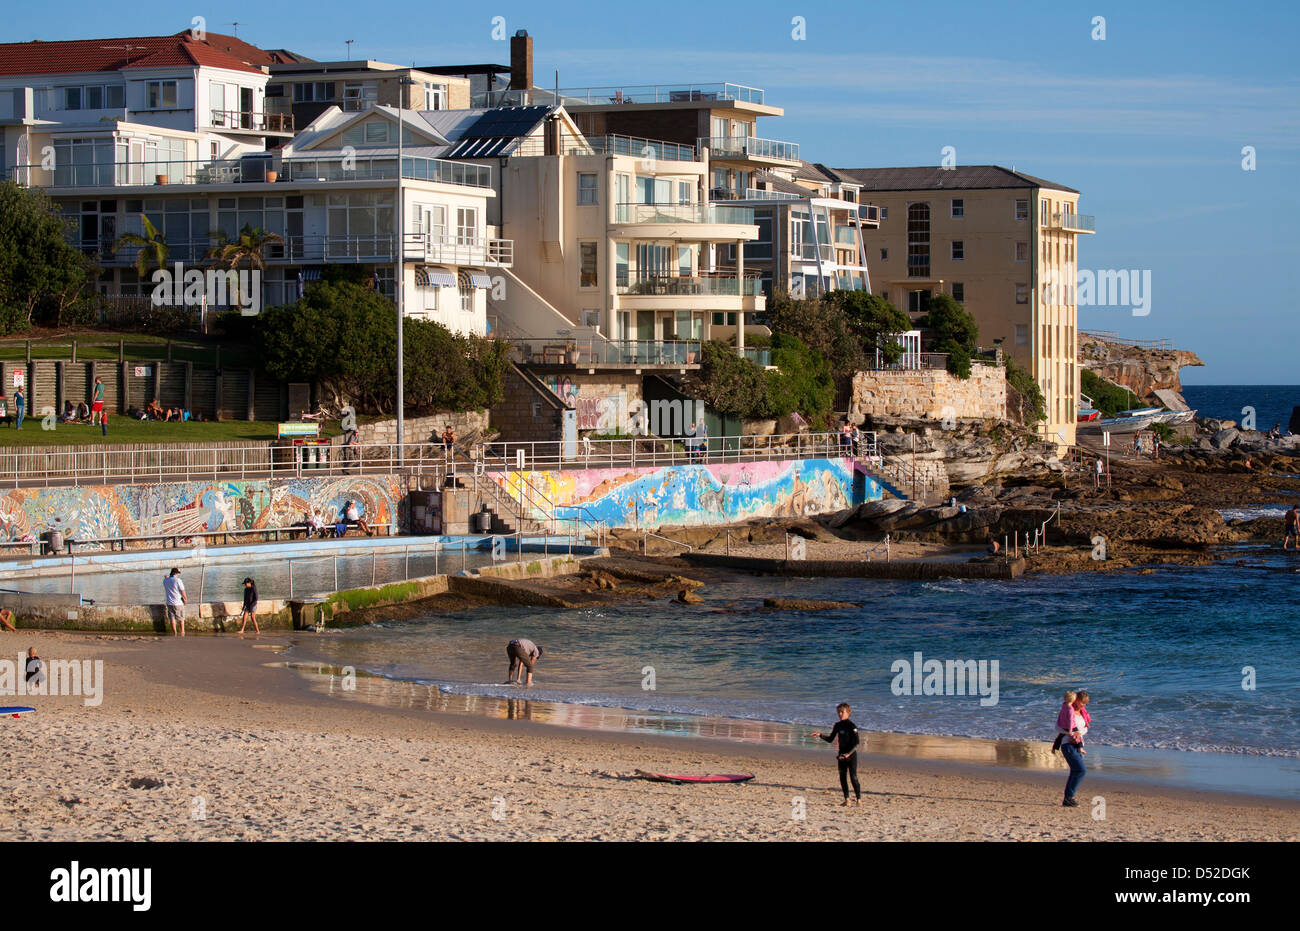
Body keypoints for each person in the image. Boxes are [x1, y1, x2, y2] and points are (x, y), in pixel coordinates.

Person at [811, 702, 862, 807]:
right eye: (838, 712)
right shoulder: (837, 725)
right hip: (841, 755)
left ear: (848, 713)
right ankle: (847, 800)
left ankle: (858, 800)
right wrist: (820, 735)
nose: (840, 714)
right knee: (842, 777)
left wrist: (848, 754)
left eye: (842, 712)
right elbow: (830, 739)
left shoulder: (852, 726)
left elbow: (857, 743)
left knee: (853, 777)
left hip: (851, 755)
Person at [1056, 689, 1091, 807]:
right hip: (1067, 744)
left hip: (1078, 743)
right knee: (1081, 770)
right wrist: (1071, 734)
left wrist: (1079, 733)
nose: (1084, 705)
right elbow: (1057, 728)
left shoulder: (1082, 713)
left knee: (1076, 771)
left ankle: (1068, 798)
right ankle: (1069, 797)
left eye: (1085, 703)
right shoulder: (1067, 711)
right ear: (1076, 700)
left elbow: (1085, 728)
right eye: (1082, 703)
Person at [1050, 690, 1078, 754]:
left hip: (1062, 725)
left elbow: (1061, 714)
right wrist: (1070, 730)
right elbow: (1070, 720)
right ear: (1073, 700)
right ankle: (1080, 747)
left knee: (1060, 737)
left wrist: (1059, 722)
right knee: (1077, 734)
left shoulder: (1064, 705)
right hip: (1070, 727)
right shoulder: (1071, 709)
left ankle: (1054, 748)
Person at [163, 567, 187, 637]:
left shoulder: (165, 580)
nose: (178, 575)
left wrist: (166, 577)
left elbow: (166, 579)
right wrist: (185, 599)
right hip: (178, 602)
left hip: (169, 602)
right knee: (181, 618)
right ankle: (182, 632)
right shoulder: (178, 580)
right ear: (175, 573)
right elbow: (182, 591)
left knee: (172, 618)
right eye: (177, 574)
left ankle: (175, 633)